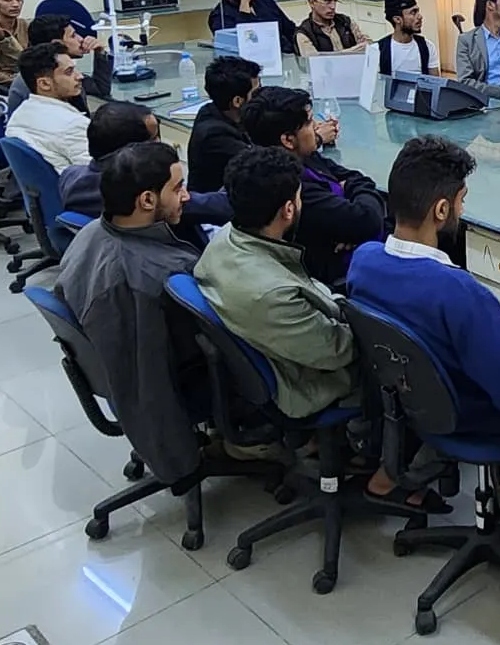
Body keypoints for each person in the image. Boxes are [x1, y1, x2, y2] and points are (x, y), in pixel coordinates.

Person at [192, 145, 410, 498]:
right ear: (289, 209)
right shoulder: (272, 294)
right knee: (410, 354)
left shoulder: (226, 243)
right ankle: (392, 470)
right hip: (304, 385)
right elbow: (342, 352)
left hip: (277, 354)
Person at [348, 136, 500, 438]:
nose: (461, 210)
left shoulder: (363, 261)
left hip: (411, 402)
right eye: (461, 201)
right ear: (441, 210)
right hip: (470, 417)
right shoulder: (462, 292)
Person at [54, 141, 208, 486]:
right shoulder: (146, 279)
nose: (187, 197)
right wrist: (178, 465)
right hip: (191, 381)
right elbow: (147, 381)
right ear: (147, 200)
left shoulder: (91, 232)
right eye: (178, 188)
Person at [242, 86, 383, 287]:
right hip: (345, 274)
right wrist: (352, 194)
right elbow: (368, 219)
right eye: (308, 122)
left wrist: (350, 188)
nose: (316, 126)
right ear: (288, 140)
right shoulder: (295, 188)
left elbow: (349, 176)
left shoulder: (304, 157)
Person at [60, 101, 233, 228]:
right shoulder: (153, 199)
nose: (161, 144)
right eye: (154, 139)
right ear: (133, 152)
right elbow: (224, 207)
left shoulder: (70, 176)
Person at [185, 56, 263, 195]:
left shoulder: (218, 110)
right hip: (213, 210)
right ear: (238, 101)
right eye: (256, 92)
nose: (262, 96)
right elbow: (262, 164)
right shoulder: (215, 135)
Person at [7, 41, 90, 172]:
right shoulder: (73, 126)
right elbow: (97, 177)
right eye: (69, 72)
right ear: (44, 84)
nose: (79, 76)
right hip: (73, 190)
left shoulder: (19, 115)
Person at [7, 14, 102, 114]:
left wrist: (100, 53)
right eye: (73, 36)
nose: (81, 39)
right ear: (57, 43)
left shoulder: (58, 67)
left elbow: (99, 88)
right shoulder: (36, 77)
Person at [209, 0, 299, 55]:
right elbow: (246, 42)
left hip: (283, 53)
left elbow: (289, 29)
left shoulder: (264, 0)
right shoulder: (220, 15)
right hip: (249, 62)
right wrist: (244, 4)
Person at [298, 0, 370, 53]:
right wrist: (352, 51)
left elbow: (368, 46)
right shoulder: (304, 33)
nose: (333, 6)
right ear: (312, 3)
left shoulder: (345, 22)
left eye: (335, 1)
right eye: (327, 1)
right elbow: (316, 61)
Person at [373, 0, 431, 77]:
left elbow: (436, 86)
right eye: (413, 12)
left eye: (418, 11)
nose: (420, 17)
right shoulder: (378, 51)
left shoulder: (427, 47)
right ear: (397, 19)